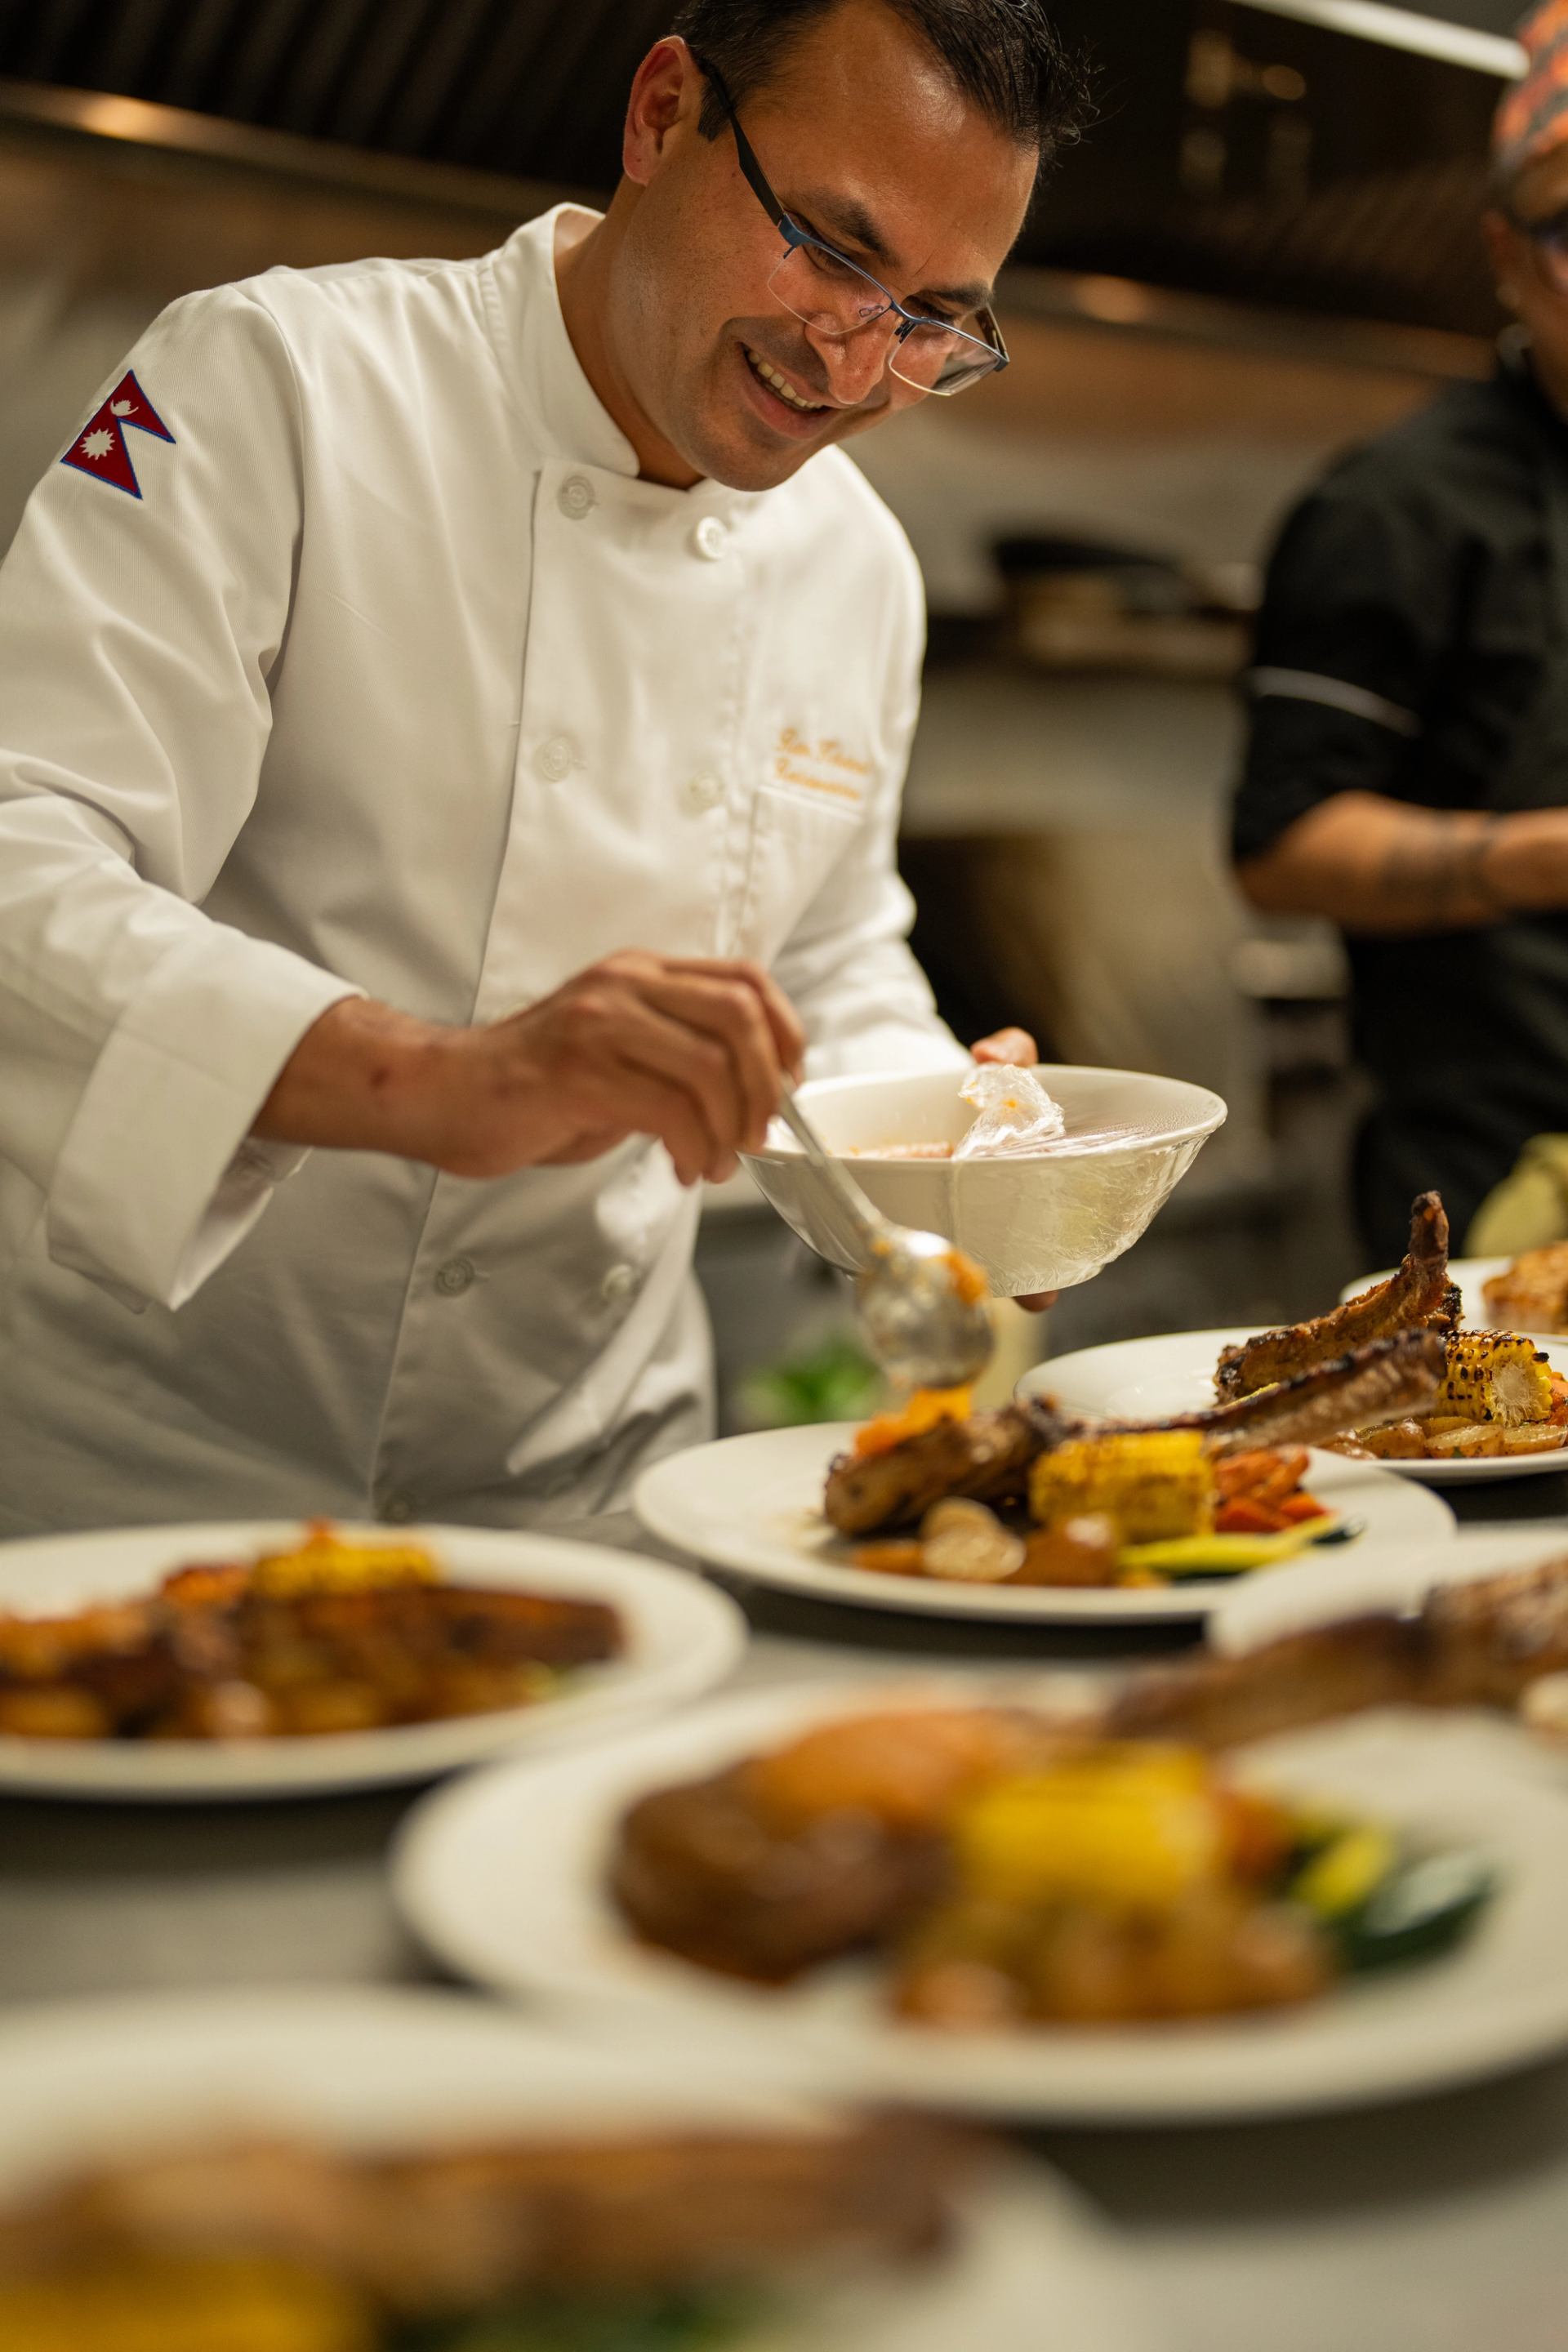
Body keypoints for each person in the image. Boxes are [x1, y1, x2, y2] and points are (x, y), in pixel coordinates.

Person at [0, 0, 1088, 1538]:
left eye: (930, 320)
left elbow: (828, 966)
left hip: (591, 1493)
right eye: (833, 252)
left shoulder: (859, 567)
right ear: (660, 117)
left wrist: (944, 1150)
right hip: (160, 1464)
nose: (854, 363)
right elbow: (20, 847)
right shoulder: (281, 381)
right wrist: (443, 1082)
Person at [1232, 0, 1568, 1266]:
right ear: (1504, 251)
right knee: (1511, 1461)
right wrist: (1547, 857)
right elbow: (1279, 848)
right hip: (1492, 1208)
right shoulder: (1395, 509)